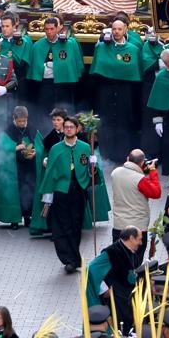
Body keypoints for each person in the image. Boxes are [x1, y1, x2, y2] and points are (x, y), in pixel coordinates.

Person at [40, 116, 101, 273]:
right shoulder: (56, 149)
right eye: (65, 127)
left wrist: (94, 167)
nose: (68, 129)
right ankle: (69, 259)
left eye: (71, 127)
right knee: (62, 225)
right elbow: (50, 171)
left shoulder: (85, 147)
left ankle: (74, 257)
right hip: (61, 190)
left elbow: (91, 169)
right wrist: (47, 194)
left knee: (76, 224)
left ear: (77, 129)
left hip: (78, 189)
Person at [87, 19, 143, 163]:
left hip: (125, 91)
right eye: (114, 29)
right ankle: (106, 153)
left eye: (119, 29)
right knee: (105, 122)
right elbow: (95, 71)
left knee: (124, 121)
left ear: (125, 30)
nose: (116, 32)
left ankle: (122, 154)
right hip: (105, 90)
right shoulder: (101, 47)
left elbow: (136, 73)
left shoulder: (133, 49)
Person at [0, 106, 41, 229]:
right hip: (14, 168)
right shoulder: (8, 131)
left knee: (29, 190)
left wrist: (35, 152)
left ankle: (27, 217)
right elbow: (1, 150)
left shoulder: (32, 129)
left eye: (24, 121)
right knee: (16, 192)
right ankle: (14, 220)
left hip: (30, 167)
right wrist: (16, 148)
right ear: (14, 118)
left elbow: (41, 147)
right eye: (20, 121)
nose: (22, 124)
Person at [108, 150, 160, 264]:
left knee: (118, 261)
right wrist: (152, 171)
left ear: (127, 159)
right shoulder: (140, 179)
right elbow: (156, 193)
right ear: (142, 163)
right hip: (137, 229)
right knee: (134, 263)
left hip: (118, 226)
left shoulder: (115, 172)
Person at [25, 18, 83, 114]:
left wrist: (52, 66)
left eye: (52, 29)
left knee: (64, 111)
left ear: (57, 29)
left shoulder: (68, 44)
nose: (49, 32)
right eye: (47, 29)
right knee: (44, 111)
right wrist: (48, 67)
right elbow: (35, 68)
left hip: (63, 84)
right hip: (46, 84)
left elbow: (70, 65)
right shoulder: (38, 45)